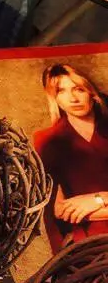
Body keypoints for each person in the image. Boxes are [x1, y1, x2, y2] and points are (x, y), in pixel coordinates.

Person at [33, 63, 108, 250]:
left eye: (79, 89)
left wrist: (98, 199)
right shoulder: (48, 140)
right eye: (61, 91)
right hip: (87, 247)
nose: (73, 98)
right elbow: (58, 211)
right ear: (54, 98)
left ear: (91, 92)